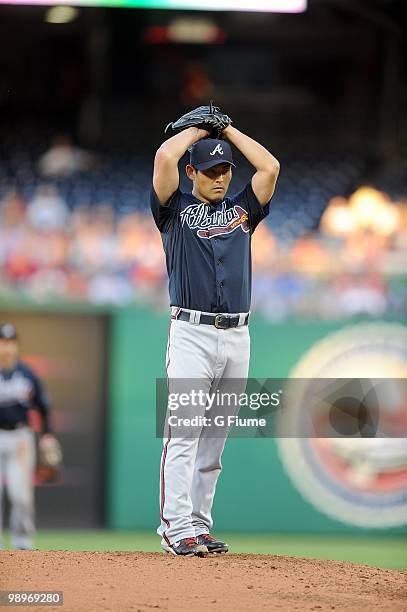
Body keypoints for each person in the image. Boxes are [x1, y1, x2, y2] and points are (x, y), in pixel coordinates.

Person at [151, 121, 280, 556]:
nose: (220, 175)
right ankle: (174, 526)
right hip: (191, 333)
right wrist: (194, 129)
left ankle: (200, 525)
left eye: (224, 168)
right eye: (210, 170)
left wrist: (229, 132)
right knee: (184, 434)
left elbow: (270, 167)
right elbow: (164, 158)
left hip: (238, 336)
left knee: (215, 441)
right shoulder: (174, 210)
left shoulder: (244, 209)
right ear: (193, 173)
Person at [0, 323, 57, 550]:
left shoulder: (26, 373)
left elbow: (42, 406)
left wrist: (47, 435)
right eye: (3, 342)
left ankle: (22, 541)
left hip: (20, 437)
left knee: (21, 494)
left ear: (16, 346)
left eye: (11, 343)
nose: (7, 348)